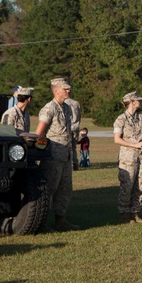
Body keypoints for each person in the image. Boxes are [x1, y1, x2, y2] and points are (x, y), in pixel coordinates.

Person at [34, 77, 80, 232]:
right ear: (55, 90)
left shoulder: (67, 108)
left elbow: (69, 133)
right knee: (50, 190)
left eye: (69, 88)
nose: (69, 90)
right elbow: (39, 134)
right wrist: (43, 153)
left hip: (65, 156)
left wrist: (73, 157)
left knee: (65, 189)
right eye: (65, 88)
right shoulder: (49, 108)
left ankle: (61, 220)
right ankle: (41, 223)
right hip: (53, 157)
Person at [113, 91, 142, 223]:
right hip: (128, 157)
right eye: (138, 100)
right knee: (127, 185)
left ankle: (135, 212)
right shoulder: (121, 119)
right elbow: (117, 139)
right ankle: (124, 214)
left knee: (141, 184)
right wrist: (134, 145)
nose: (140, 101)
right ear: (132, 102)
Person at [64, 88, 82, 171]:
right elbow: (79, 116)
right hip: (76, 126)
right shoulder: (76, 103)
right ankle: (75, 164)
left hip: (69, 126)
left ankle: (70, 165)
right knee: (74, 147)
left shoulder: (64, 103)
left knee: (69, 147)